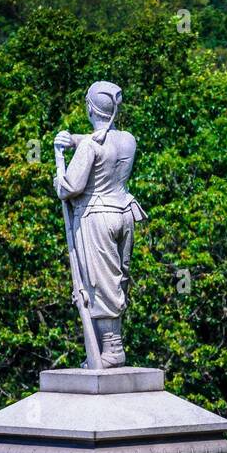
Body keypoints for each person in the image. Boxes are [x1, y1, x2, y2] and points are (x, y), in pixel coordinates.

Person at [54, 81, 147, 368]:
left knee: (99, 284)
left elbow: (70, 187)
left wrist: (60, 168)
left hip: (97, 218)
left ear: (90, 108)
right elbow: (104, 140)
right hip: (125, 214)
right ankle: (107, 346)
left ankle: (112, 350)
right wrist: (74, 140)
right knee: (117, 279)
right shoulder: (128, 139)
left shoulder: (90, 148)